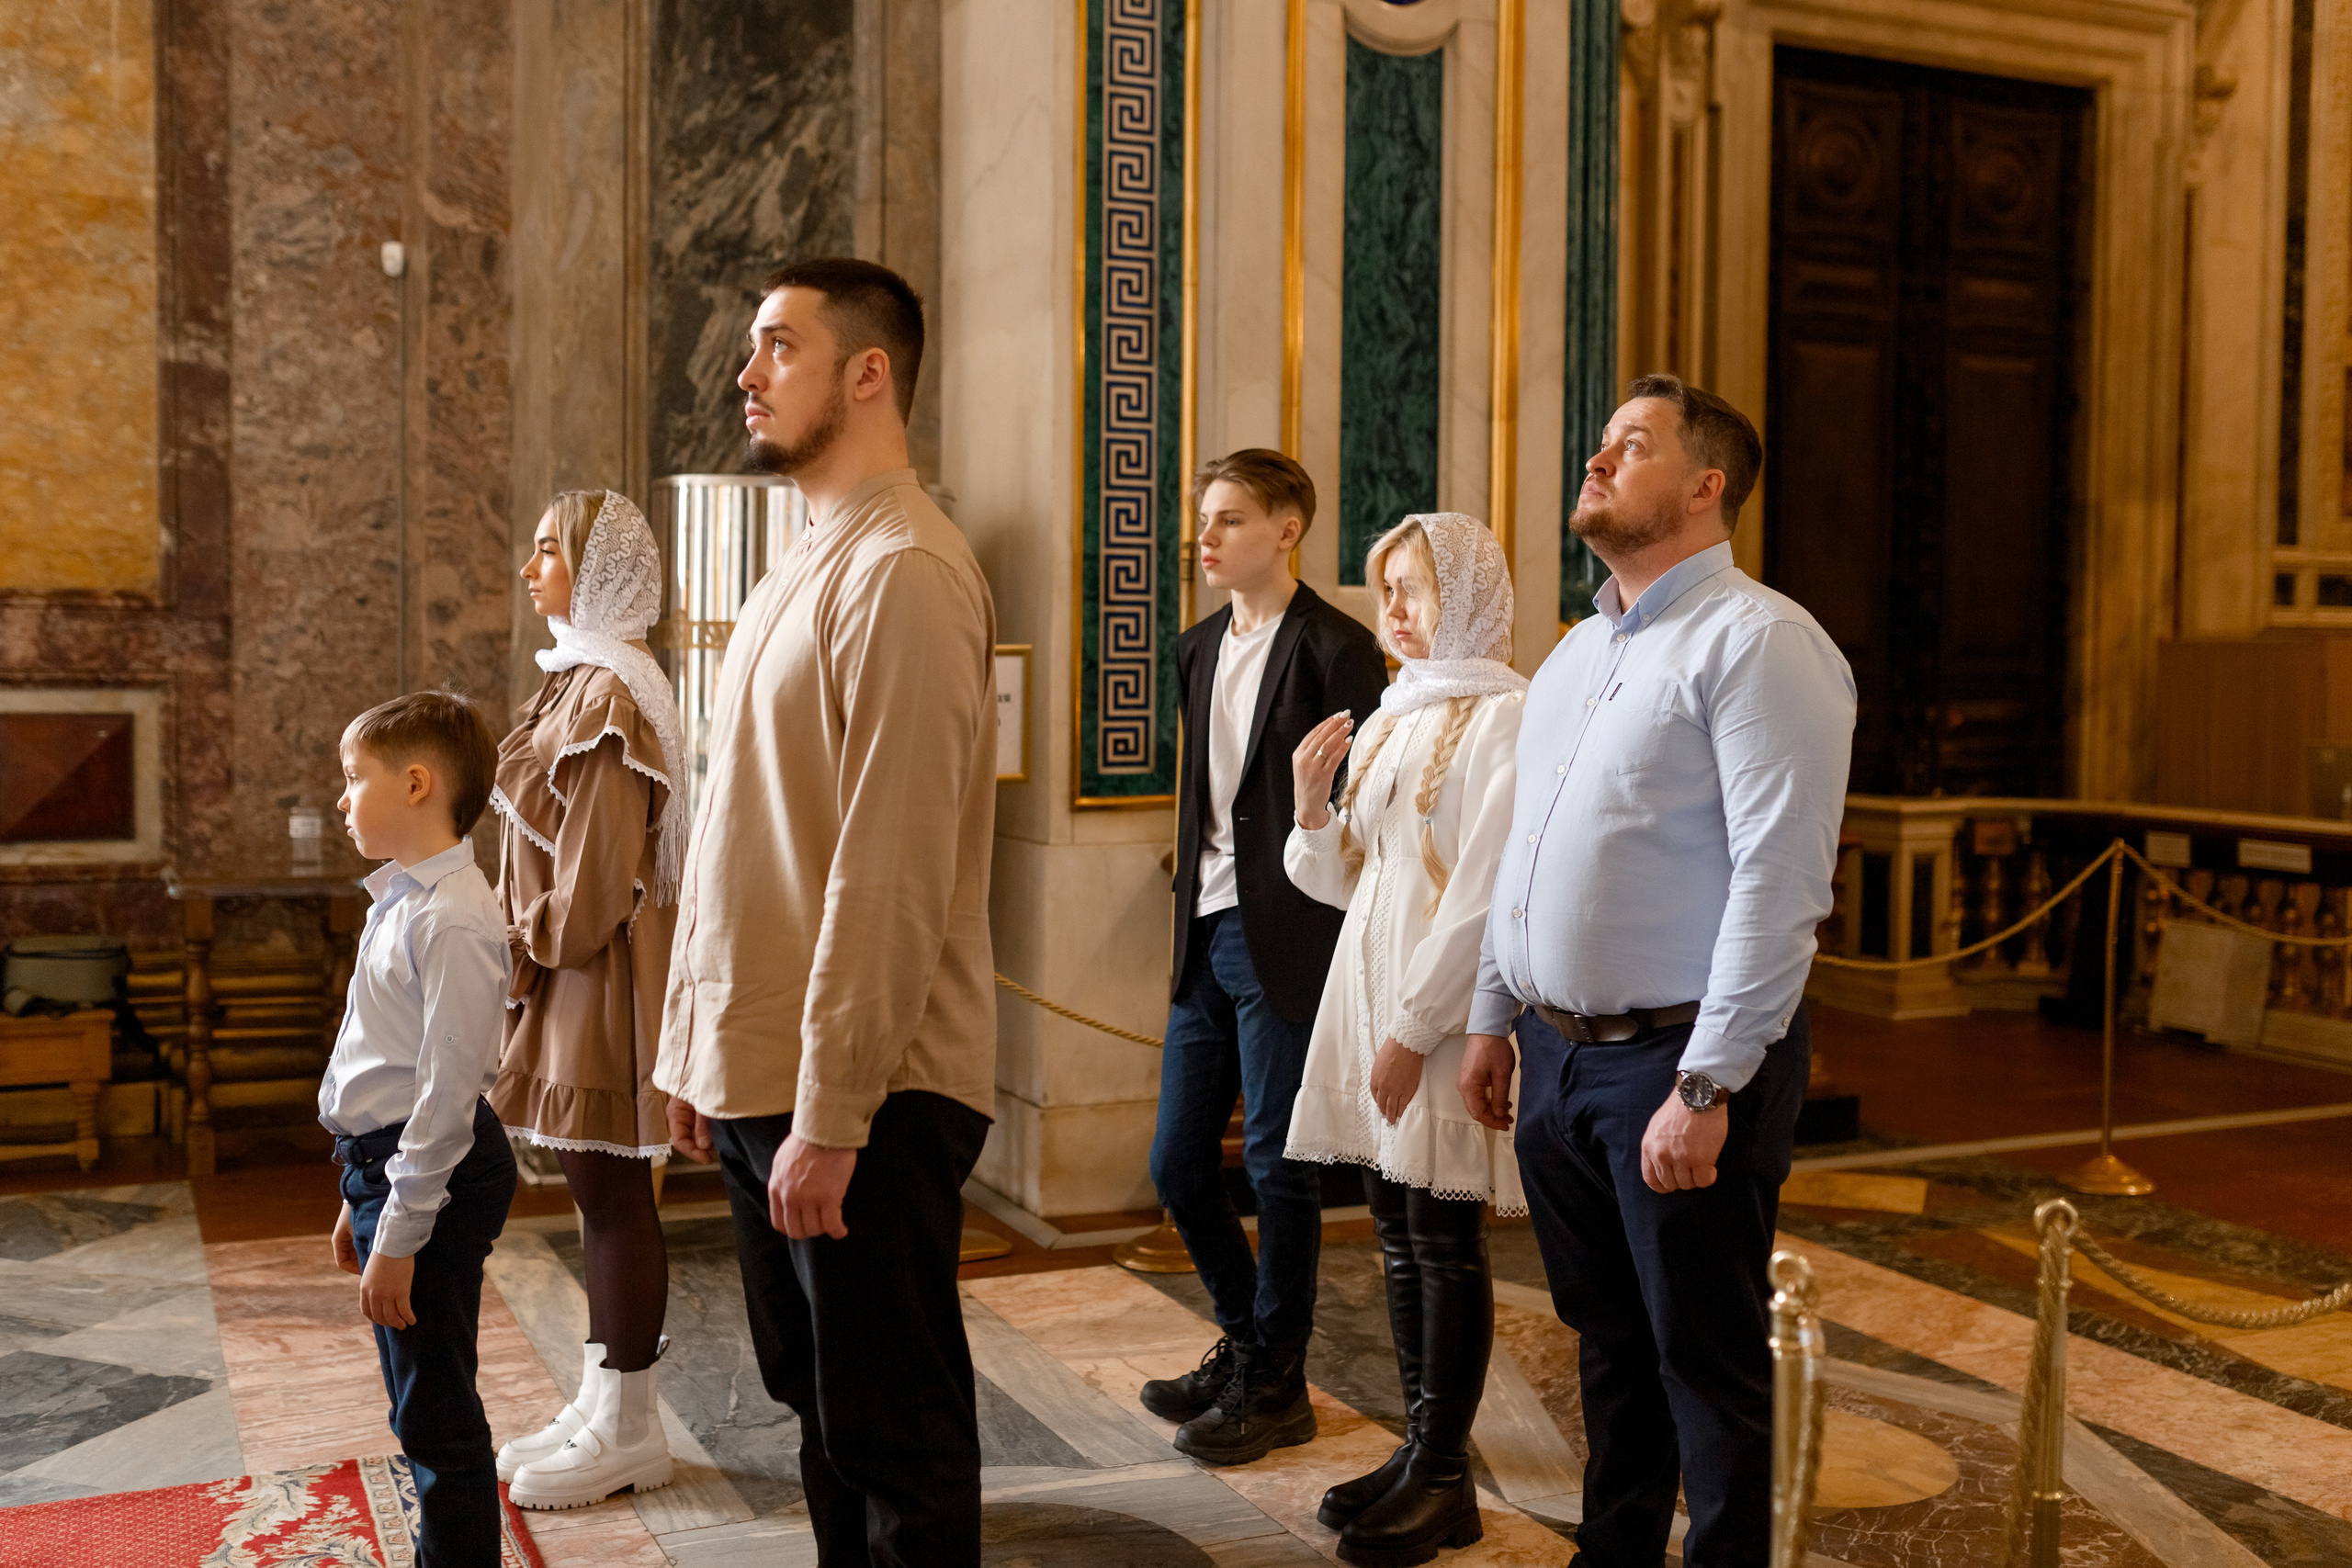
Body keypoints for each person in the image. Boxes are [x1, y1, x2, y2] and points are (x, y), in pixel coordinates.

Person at [1457, 374, 1855, 1567]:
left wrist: (1709, 1080)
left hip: (1677, 1060)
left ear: (1703, 484)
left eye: (1629, 445)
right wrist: (1492, 1015)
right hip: (1558, 1054)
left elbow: (1780, 883)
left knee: (1708, 1359)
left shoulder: (1762, 641)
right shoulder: (1580, 652)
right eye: (1600, 441)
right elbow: (1525, 848)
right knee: (1609, 1342)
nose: (1597, 459)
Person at [654, 257, 997, 1567]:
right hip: (770, 1070)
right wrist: (700, 1043)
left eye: (776, 346)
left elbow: (888, 869)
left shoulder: (905, 568)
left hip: (868, 1092)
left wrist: (831, 1112)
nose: (746, 373)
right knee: (821, 1410)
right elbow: (740, 825)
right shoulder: (807, 560)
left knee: (892, 1427)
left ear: (868, 372)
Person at [1283, 513, 1526, 1566]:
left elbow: (1480, 895)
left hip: (1430, 1014)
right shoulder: (1393, 712)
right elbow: (1347, 882)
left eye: (1414, 591)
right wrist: (1306, 813)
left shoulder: (1506, 716)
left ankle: (1443, 1478)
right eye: (1384, 591)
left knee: (1441, 1239)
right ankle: (1417, 1448)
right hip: (1365, 995)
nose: (1391, 612)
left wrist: (1415, 1032)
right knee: (1391, 1232)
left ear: (1466, 598)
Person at [1139, 449, 1389, 1466]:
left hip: (1284, 930)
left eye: (1230, 519)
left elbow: (1362, 813)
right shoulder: (1195, 646)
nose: (1206, 537)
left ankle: (1278, 1381)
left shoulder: (1339, 648)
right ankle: (1246, 1339)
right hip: (1201, 928)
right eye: (1205, 518)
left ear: (1287, 530)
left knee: (1281, 1167)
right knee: (1176, 1162)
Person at [490, 488, 685, 1509]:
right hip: (572, 973)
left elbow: (596, 887)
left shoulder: (609, 696)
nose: (531, 572)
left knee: (612, 1202)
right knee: (595, 1198)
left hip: (596, 974)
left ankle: (630, 1426)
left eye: (547, 553)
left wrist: (516, 940)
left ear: (596, 569)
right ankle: (602, 1399)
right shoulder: (580, 682)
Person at [322, 691, 514, 1568]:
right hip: (388, 1167)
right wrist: (357, 1197)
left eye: (353, 778)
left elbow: (443, 1100)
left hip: (430, 1167)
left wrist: (399, 1231)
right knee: (418, 1392)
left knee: (434, 1407)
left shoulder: (453, 917)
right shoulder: (400, 898)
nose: (342, 797)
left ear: (415, 782)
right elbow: (381, 1063)